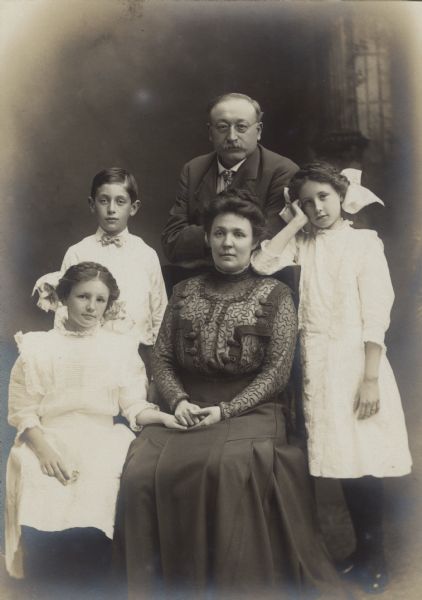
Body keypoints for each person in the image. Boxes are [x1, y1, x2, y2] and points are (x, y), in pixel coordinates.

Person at [114, 190, 344, 599]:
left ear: (256, 240)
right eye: (219, 233)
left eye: (238, 234)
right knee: (139, 471)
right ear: (207, 239)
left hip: (253, 409)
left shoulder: (276, 295)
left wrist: (226, 410)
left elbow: (276, 373)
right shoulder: (185, 291)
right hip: (185, 406)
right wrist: (179, 400)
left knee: (227, 465)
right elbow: (162, 358)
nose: (227, 243)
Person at [252, 162, 412, 594]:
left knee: (365, 463)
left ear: (341, 195)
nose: (318, 207)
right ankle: (361, 554)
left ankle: (376, 558)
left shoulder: (363, 243)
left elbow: (377, 311)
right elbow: (263, 262)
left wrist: (371, 378)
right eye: (307, 202)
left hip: (357, 362)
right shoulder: (302, 244)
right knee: (343, 463)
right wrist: (295, 222)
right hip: (318, 364)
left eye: (324, 196)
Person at [5, 262, 184, 597]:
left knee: (102, 475)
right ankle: (46, 579)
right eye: (82, 296)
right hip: (49, 434)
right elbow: (23, 411)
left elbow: (133, 405)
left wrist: (164, 417)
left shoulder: (118, 347)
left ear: (109, 304)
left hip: (101, 435)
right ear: (64, 298)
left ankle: (93, 578)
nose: (91, 306)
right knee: (35, 470)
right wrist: (43, 450)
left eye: (100, 300)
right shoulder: (37, 347)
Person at [161, 92, 298, 270]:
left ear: (258, 131)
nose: (232, 136)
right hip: (198, 279)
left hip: (257, 280)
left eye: (241, 127)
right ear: (210, 132)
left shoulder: (282, 171)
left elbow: (268, 242)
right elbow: (171, 241)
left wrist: (207, 236)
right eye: (222, 127)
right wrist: (229, 235)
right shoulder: (194, 169)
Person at [59, 167, 167, 377]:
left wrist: (158, 372)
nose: (111, 209)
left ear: (133, 207)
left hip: (138, 356)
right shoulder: (78, 252)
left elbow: (160, 313)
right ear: (92, 204)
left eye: (120, 201)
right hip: (89, 355)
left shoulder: (146, 255)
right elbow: (62, 310)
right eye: (103, 200)